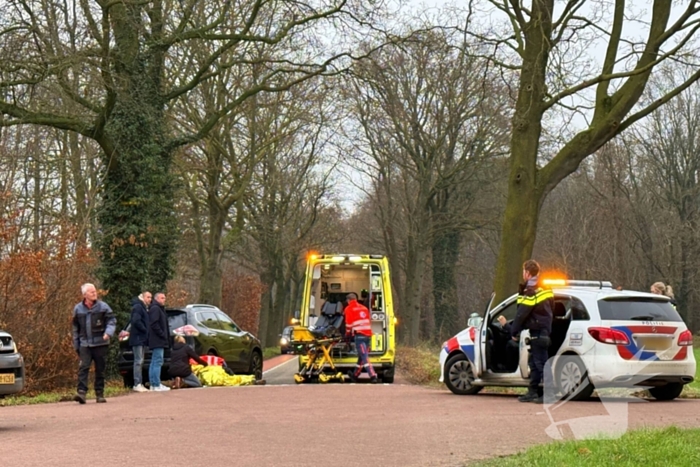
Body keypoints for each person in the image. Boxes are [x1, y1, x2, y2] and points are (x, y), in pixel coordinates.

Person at [510, 260, 554, 403]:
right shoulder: (545, 288)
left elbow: (522, 313)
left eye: (524, 271)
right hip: (543, 330)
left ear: (527, 273)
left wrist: (513, 330)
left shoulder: (531, 291)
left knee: (541, 364)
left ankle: (549, 395)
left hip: (538, 331)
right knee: (535, 364)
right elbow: (551, 308)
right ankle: (533, 392)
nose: (523, 274)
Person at [72, 283, 116, 404]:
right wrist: (76, 344)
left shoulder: (103, 307)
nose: (94, 293)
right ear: (85, 295)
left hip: (101, 343)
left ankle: (99, 393)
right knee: (83, 368)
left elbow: (112, 321)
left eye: (95, 291)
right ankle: (81, 393)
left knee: (100, 369)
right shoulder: (78, 309)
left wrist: (108, 333)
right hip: (84, 344)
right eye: (91, 292)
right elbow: (75, 328)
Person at [344, 292, 378, 383]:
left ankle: (373, 375)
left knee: (364, 356)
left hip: (359, 336)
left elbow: (348, 324)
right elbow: (368, 321)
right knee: (361, 357)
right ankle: (355, 375)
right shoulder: (364, 308)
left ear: (348, 300)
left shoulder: (348, 309)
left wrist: (347, 335)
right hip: (368, 335)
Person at [129, 291, 152, 392]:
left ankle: (140, 383)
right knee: (138, 361)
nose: (150, 299)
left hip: (141, 338)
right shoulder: (138, 307)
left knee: (140, 361)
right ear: (142, 297)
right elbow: (135, 320)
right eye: (148, 297)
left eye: (151, 297)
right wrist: (145, 330)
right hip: (137, 338)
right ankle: (137, 383)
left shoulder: (143, 307)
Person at [148, 292, 170, 391]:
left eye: (164, 298)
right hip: (158, 340)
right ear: (156, 299)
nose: (164, 299)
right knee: (157, 361)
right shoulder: (156, 309)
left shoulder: (157, 309)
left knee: (154, 361)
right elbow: (154, 324)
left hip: (157, 340)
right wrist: (162, 334)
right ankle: (156, 384)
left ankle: (153, 384)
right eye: (162, 298)